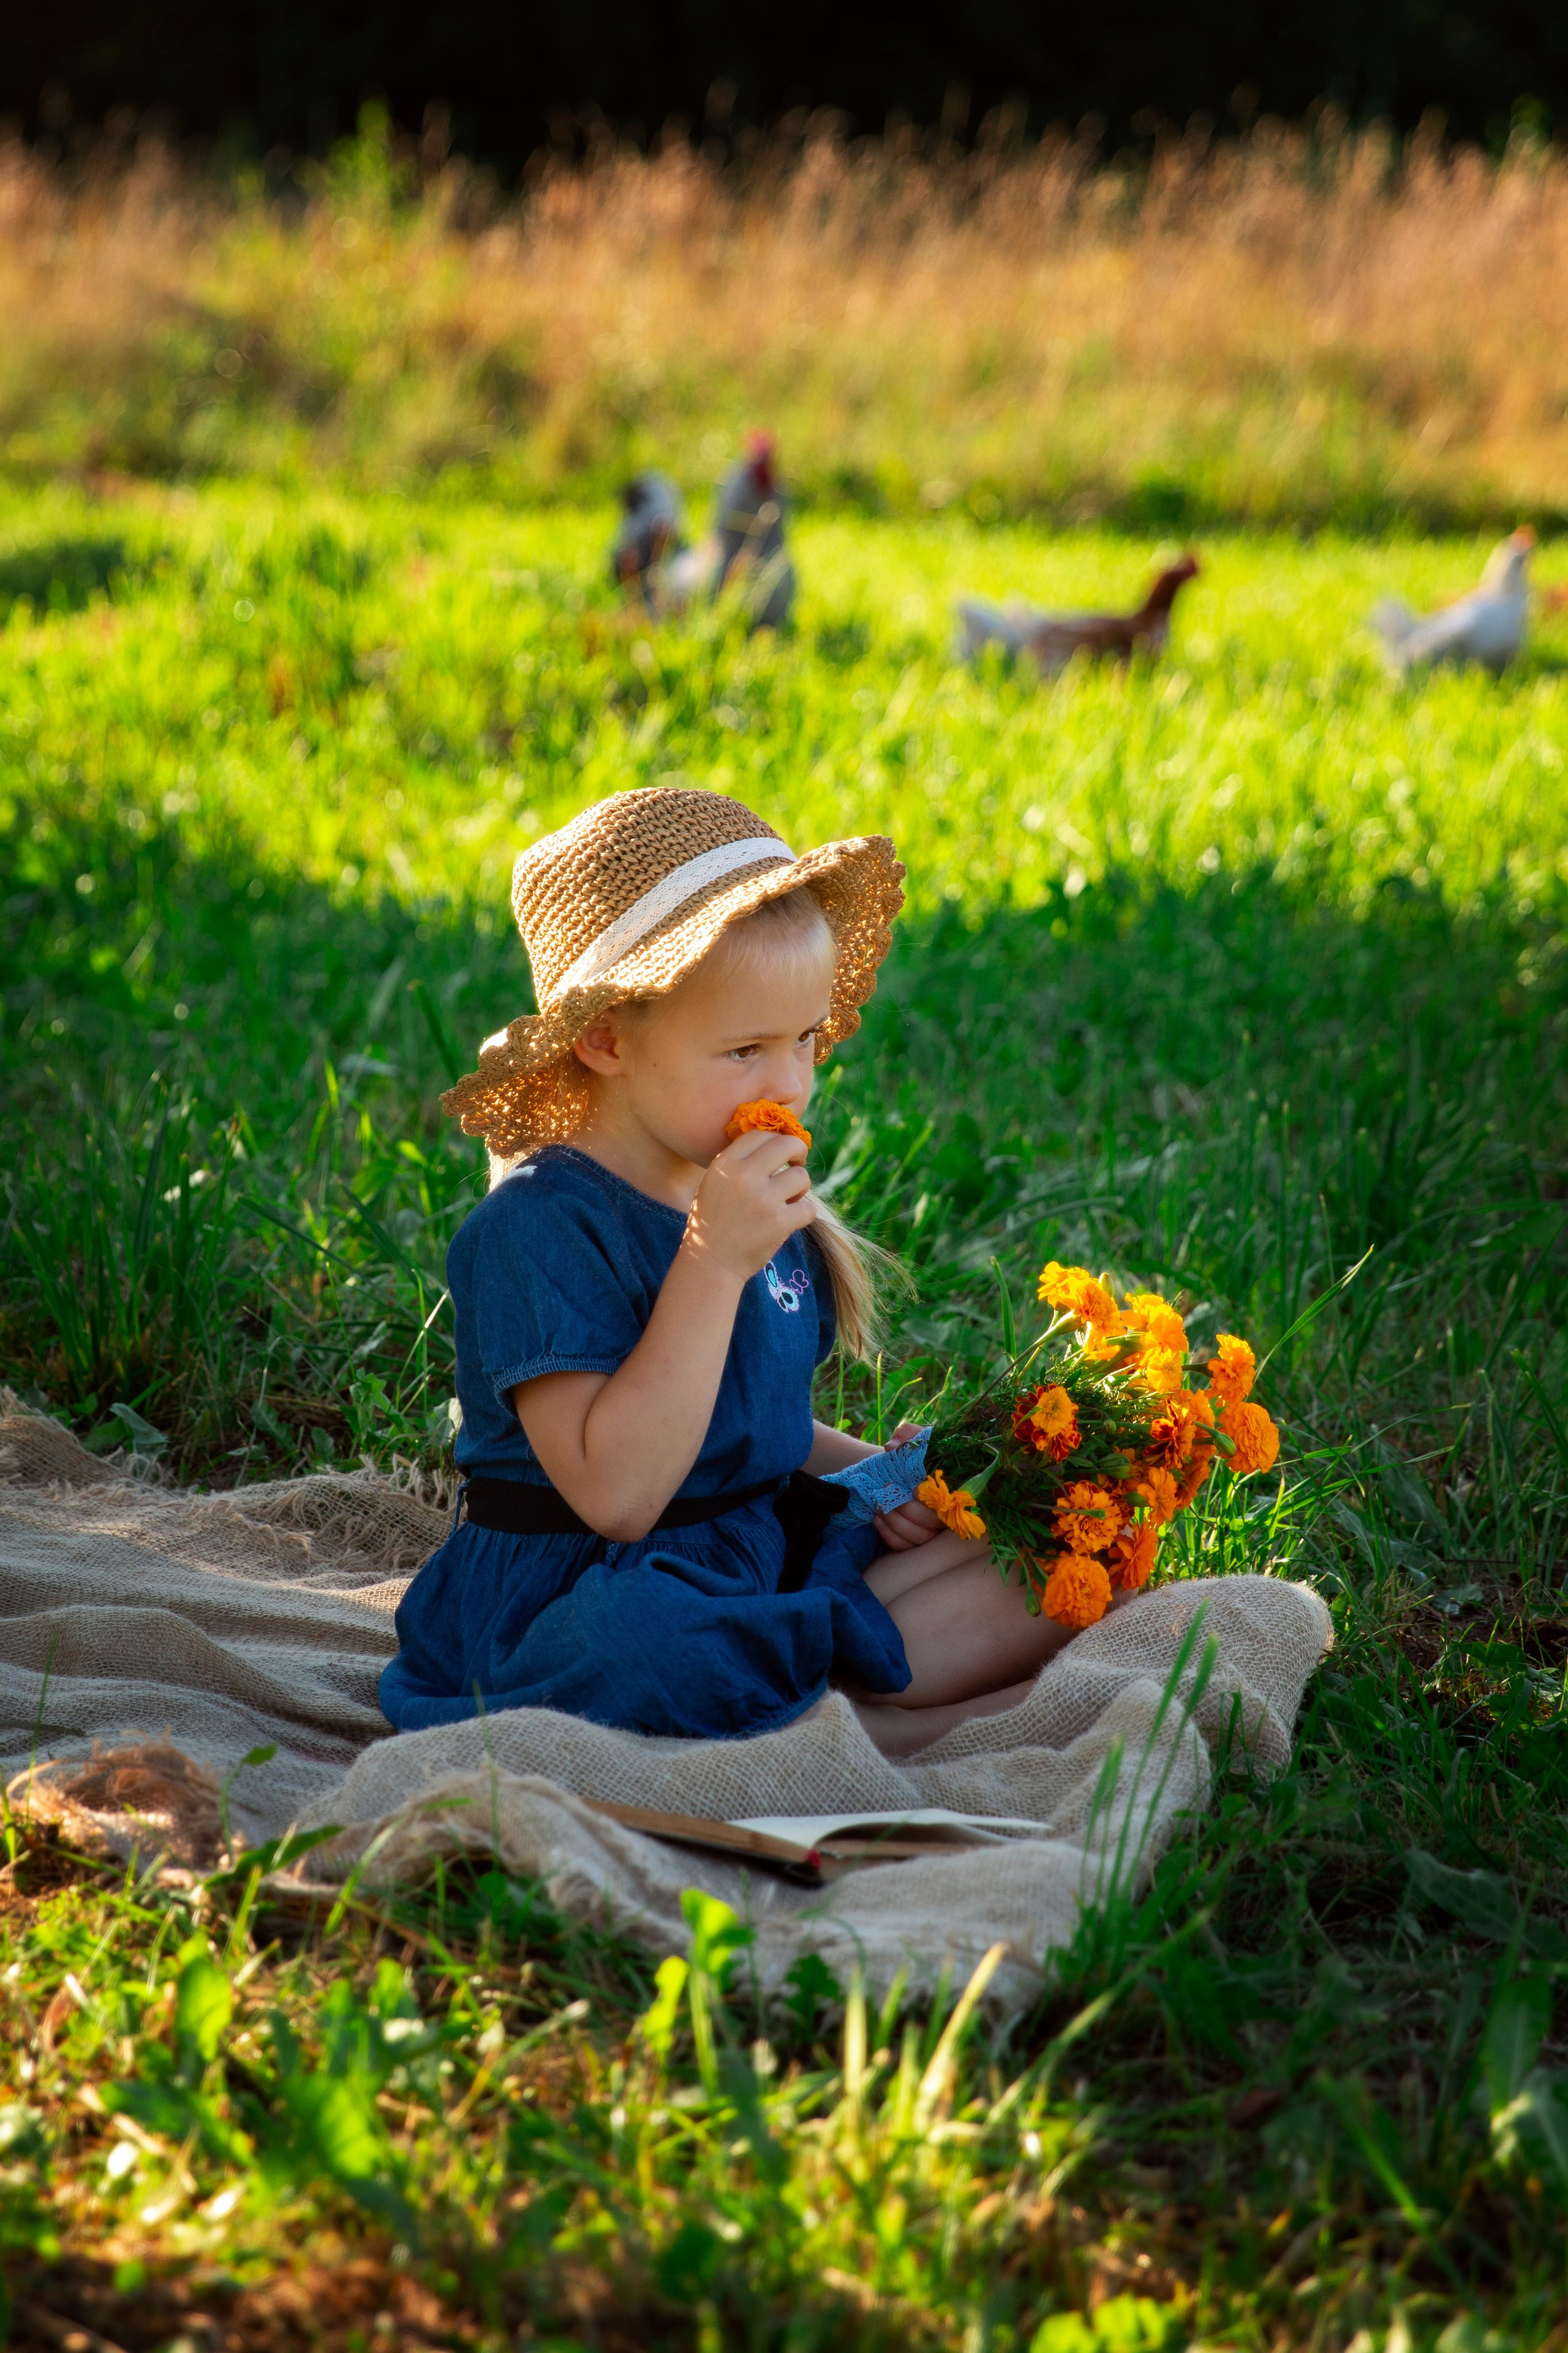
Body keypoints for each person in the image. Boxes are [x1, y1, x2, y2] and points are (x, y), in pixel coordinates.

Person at [380, 787, 1101, 1757]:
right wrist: (713, 1262)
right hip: (589, 1589)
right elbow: (619, 1497)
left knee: (1056, 1545)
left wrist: (889, 1478)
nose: (792, 1084)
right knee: (644, 1644)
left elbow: (749, 1425)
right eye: (745, 1050)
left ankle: (821, 1696)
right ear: (607, 1038)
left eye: (805, 1039)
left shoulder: (731, 1187)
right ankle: (879, 1720)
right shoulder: (536, 1230)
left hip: (748, 1546)